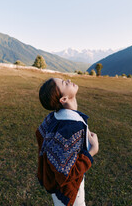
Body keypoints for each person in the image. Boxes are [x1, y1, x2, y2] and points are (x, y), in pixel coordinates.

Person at [36, 78, 99, 206]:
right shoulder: (70, 128)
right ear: (63, 99)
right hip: (68, 191)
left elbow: (40, 134)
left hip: (56, 187)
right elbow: (65, 174)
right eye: (64, 83)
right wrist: (92, 151)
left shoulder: (53, 117)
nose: (69, 80)